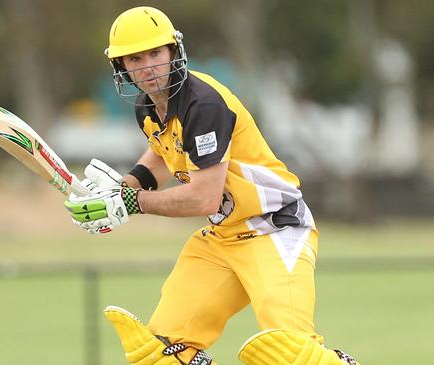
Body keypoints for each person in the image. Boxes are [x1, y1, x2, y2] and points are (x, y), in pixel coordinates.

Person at [64, 6, 361, 365]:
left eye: (155, 53)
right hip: (222, 240)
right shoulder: (147, 106)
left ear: (173, 51)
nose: (147, 66)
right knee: (160, 354)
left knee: (292, 355)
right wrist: (123, 188)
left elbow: (204, 197)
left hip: (274, 230)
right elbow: (161, 153)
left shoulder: (203, 104)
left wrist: (131, 202)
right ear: (121, 67)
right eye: (135, 58)